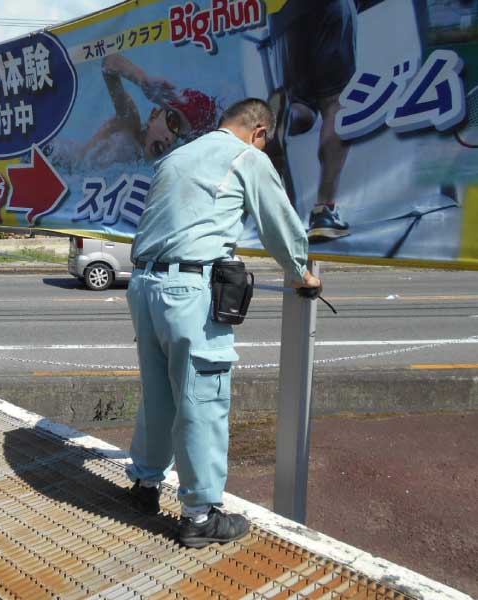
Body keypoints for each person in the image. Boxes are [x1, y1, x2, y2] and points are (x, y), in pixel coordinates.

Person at [125, 98, 321, 548]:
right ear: (260, 134)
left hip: (144, 286)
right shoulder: (247, 157)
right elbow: (278, 221)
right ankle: (199, 515)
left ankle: (145, 486)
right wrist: (300, 271)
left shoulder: (180, 154)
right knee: (202, 399)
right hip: (187, 292)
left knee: (159, 397)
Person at [266, 0, 357, 243]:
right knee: (335, 102)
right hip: (328, 8)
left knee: (301, 104)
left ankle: (284, 116)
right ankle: (324, 211)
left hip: (284, 14)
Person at [50, 54, 218, 170]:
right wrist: (142, 79)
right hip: (59, 159)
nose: (171, 138)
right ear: (153, 116)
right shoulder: (129, 123)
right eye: (173, 122)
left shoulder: (149, 165)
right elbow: (109, 64)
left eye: (181, 137)